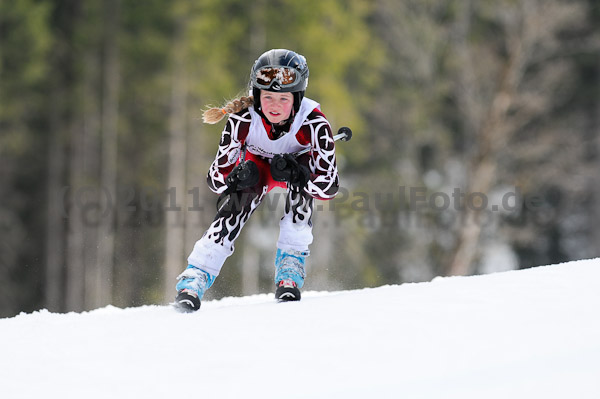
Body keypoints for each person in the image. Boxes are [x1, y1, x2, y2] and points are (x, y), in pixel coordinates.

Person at [175, 49, 339, 311]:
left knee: (300, 197)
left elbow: (329, 187)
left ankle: (290, 264)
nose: (274, 105)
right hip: (257, 168)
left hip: (295, 167)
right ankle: (197, 274)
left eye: (283, 98)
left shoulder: (314, 122)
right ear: (256, 95)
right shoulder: (242, 118)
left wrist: (301, 175)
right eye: (268, 97)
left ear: (297, 98)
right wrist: (235, 177)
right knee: (237, 202)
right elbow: (215, 180)